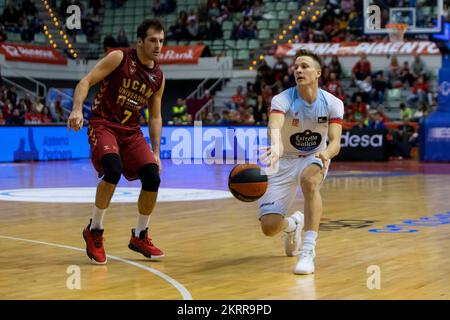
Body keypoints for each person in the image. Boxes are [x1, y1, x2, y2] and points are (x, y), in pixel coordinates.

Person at [68, 19, 166, 264]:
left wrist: (156, 151)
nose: (158, 46)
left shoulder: (158, 77)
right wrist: (77, 109)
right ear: (140, 41)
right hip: (103, 124)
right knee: (113, 169)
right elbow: (86, 81)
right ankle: (94, 230)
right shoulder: (119, 58)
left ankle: (140, 235)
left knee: (152, 176)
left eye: (161, 41)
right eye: (153, 40)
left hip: (131, 131)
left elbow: (155, 116)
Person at [259, 49, 344, 275]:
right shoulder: (283, 98)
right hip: (283, 158)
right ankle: (293, 224)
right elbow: (274, 125)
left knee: (309, 182)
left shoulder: (333, 103)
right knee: (269, 227)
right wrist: (276, 145)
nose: (298, 69)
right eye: (296, 66)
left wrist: (326, 154)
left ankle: (308, 251)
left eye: (304, 66)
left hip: (313, 156)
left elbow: (335, 142)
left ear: (318, 72)